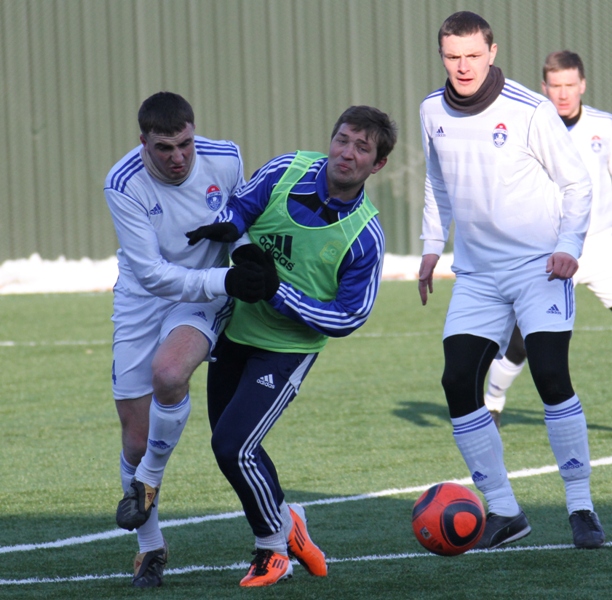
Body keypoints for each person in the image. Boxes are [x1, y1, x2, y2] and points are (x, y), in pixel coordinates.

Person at [186, 105, 397, 586]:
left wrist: (278, 292)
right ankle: (288, 522)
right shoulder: (288, 169)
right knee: (231, 448)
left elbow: (349, 315)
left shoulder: (364, 236)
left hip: (285, 351)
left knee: (234, 447)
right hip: (234, 332)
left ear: (378, 164)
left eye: (362, 148)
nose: (347, 153)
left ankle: (272, 550)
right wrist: (230, 226)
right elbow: (242, 205)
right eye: (342, 139)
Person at [418, 12, 605, 551]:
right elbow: (436, 181)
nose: (463, 66)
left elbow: (577, 185)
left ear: (492, 52)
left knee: (549, 374)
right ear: (442, 56)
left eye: (473, 55)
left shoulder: (530, 110)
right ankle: (503, 509)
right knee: (457, 381)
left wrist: (568, 247)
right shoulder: (432, 110)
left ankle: (581, 506)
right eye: (453, 56)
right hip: (477, 274)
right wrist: (431, 246)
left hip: (539, 266)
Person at [104, 91, 269, 587]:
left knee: (170, 373)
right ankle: (150, 547)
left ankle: (150, 478)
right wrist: (226, 279)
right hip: (143, 298)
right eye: (164, 148)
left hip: (202, 299)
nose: (178, 157)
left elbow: (241, 222)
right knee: (135, 438)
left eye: (185, 144)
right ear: (143, 143)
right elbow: (153, 274)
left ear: (194, 133)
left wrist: (246, 258)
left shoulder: (227, 157)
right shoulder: (123, 183)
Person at [485, 50, 612, 427]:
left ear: (583, 85)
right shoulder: (529, 128)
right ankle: (492, 401)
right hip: (549, 251)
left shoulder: (605, 127)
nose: (563, 93)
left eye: (570, 84)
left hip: (601, 246)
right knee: (524, 340)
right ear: (544, 87)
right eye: (556, 85)